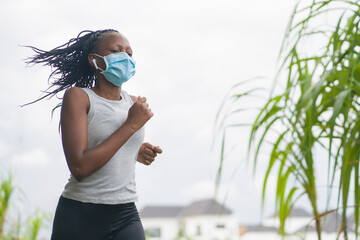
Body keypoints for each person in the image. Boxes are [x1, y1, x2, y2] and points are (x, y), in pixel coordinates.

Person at [25, 29, 162, 240]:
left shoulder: (134, 103)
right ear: (94, 60)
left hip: (125, 213)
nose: (124, 57)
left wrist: (135, 151)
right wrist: (130, 126)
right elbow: (80, 167)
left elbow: (112, 143)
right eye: (115, 51)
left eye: (129, 53)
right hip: (80, 216)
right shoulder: (79, 97)